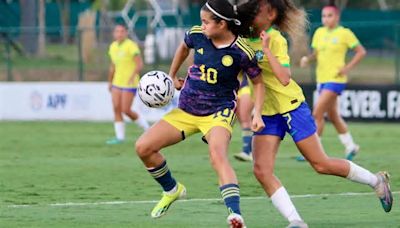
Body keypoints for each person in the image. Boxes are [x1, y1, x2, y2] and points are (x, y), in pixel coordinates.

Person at [247, 1, 393, 227]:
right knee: (261, 170)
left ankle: (376, 181)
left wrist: (266, 50)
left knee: (321, 164)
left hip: (292, 106)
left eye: (258, 11)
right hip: (267, 113)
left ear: (271, 15)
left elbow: (284, 78)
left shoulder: (275, 39)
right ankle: (296, 221)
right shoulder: (241, 39)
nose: (251, 14)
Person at [135, 0, 263, 227]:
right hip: (186, 110)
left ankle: (235, 214)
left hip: (218, 113)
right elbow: (183, 47)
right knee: (143, 147)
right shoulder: (197, 35)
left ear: (222, 24)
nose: (201, 26)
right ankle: (172, 190)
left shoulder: (241, 51)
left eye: (205, 22)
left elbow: (259, 83)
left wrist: (258, 113)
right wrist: (171, 75)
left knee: (217, 155)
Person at [299, 4, 367, 160]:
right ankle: (351, 146)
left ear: (336, 17)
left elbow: (361, 51)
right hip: (321, 79)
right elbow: (316, 54)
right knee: (334, 116)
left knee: (317, 113)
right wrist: (307, 60)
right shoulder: (319, 32)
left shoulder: (344, 33)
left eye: (329, 15)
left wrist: (347, 68)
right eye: (323, 16)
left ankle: (314, 152)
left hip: (335, 80)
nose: (325, 19)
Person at [107, 24, 150, 145]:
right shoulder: (113, 46)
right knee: (116, 108)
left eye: (122, 31)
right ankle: (119, 138)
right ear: (114, 33)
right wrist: (110, 81)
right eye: (117, 31)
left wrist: (132, 77)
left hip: (129, 84)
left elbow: (139, 64)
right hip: (117, 82)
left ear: (126, 33)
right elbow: (113, 66)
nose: (119, 34)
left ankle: (147, 129)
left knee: (126, 110)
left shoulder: (131, 46)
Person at [234, 75, 255, 162]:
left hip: (249, 86)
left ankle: (247, 151)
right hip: (239, 86)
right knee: (243, 121)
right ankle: (249, 151)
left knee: (246, 119)